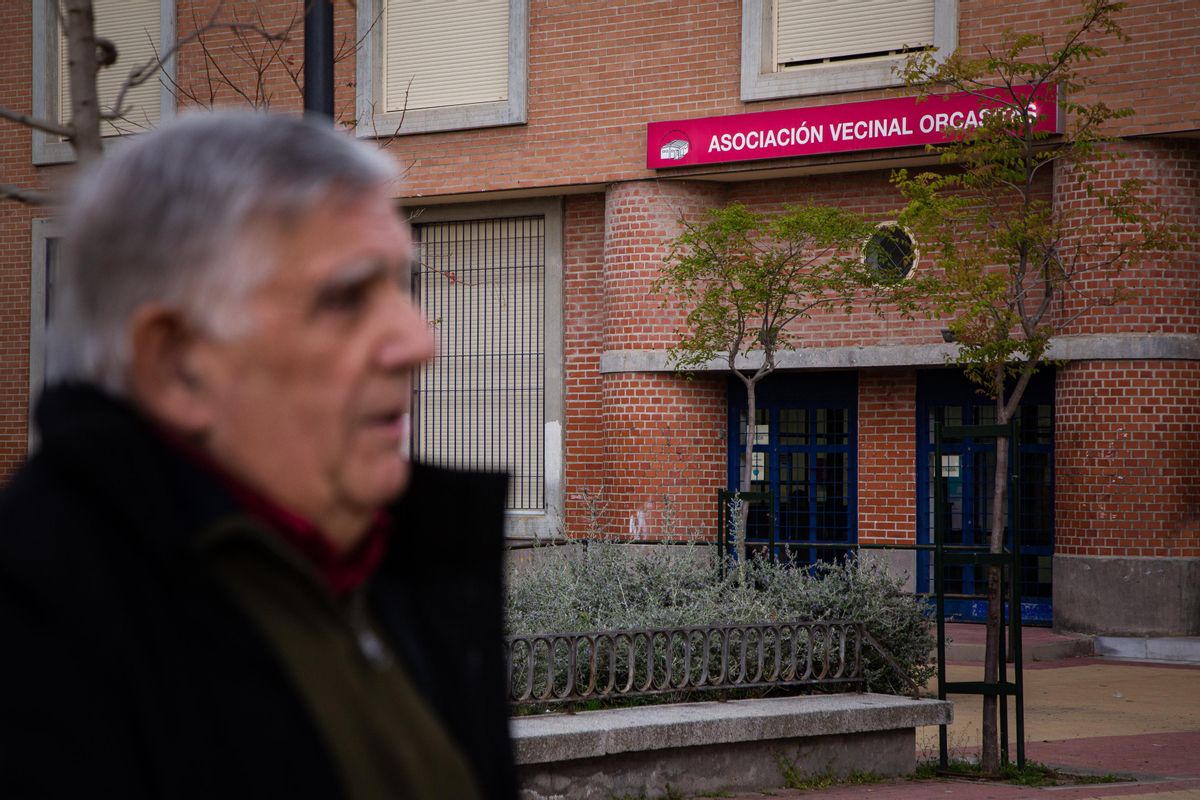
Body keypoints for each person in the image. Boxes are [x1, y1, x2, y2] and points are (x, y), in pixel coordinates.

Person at [0, 111, 516, 799]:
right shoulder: (41, 629)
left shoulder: (395, 562)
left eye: (401, 286)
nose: (419, 341)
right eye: (345, 298)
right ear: (177, 362)